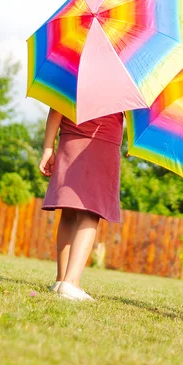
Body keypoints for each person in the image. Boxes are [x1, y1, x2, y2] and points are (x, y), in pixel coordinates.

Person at [39, 108, 123, 301]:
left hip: (70, 141)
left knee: (68, 211)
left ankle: (61, 280)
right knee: (90, 213)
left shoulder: (73, 77)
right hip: (103, 143)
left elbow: (55, 110)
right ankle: (71, 282)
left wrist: (48, 149)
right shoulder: (124, 79)